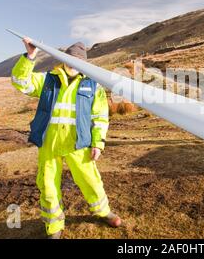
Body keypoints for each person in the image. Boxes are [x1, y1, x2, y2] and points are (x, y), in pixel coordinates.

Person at [11, 37, 121, 239]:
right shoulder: (47, 80)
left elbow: (100, 117)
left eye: (78, 61)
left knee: (91, 180)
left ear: (84, 64)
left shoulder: (93, 86)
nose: (73, 64)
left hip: (79, 143)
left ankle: (104, 212)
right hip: (49, 143)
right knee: (48, 184)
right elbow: (20, 82)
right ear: (64, 59)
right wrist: (30, 56)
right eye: (70, 59)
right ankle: (54, 227)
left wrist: (98, 142)